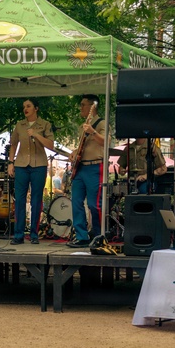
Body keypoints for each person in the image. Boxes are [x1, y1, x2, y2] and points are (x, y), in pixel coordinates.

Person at [6, 99, 54, 244]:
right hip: (21, 165)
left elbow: (51, 145)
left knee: (36, 200)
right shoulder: (19, 125)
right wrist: (10, 162)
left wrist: (36, 135)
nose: (25, 109)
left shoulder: (45, 124)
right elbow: (13, 144)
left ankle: (34, 234)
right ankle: (18, 235)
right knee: (20, 200)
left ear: (36, 108)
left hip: (39, 164)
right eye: (24, 107)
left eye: (28, 106)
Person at [67, 94, 109, 247]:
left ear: (93, 107)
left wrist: (92, 131)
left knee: (93, 204)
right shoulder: (81, 126)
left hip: (94, 167)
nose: (81, 107)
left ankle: (98, 235)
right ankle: (81, 236)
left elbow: (106, 142)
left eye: (83, 104)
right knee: (76, 201)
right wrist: (74, 153)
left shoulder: (102, 123)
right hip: (81, 167)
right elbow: (82, 146)